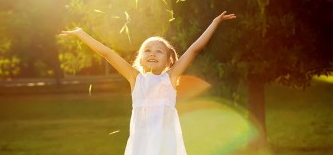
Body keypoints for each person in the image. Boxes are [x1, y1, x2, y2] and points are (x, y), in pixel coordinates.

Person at [60, 11, 236, 155]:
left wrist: (214, 23)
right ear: (141, 59)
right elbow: (107, 53)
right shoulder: (135, 79)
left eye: (159, 51)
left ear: (168, 60)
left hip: (165, 146)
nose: (153, 54)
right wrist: (81, 34)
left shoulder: (170, 78)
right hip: (141, 146)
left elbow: (194, 49)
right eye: (148, 51)